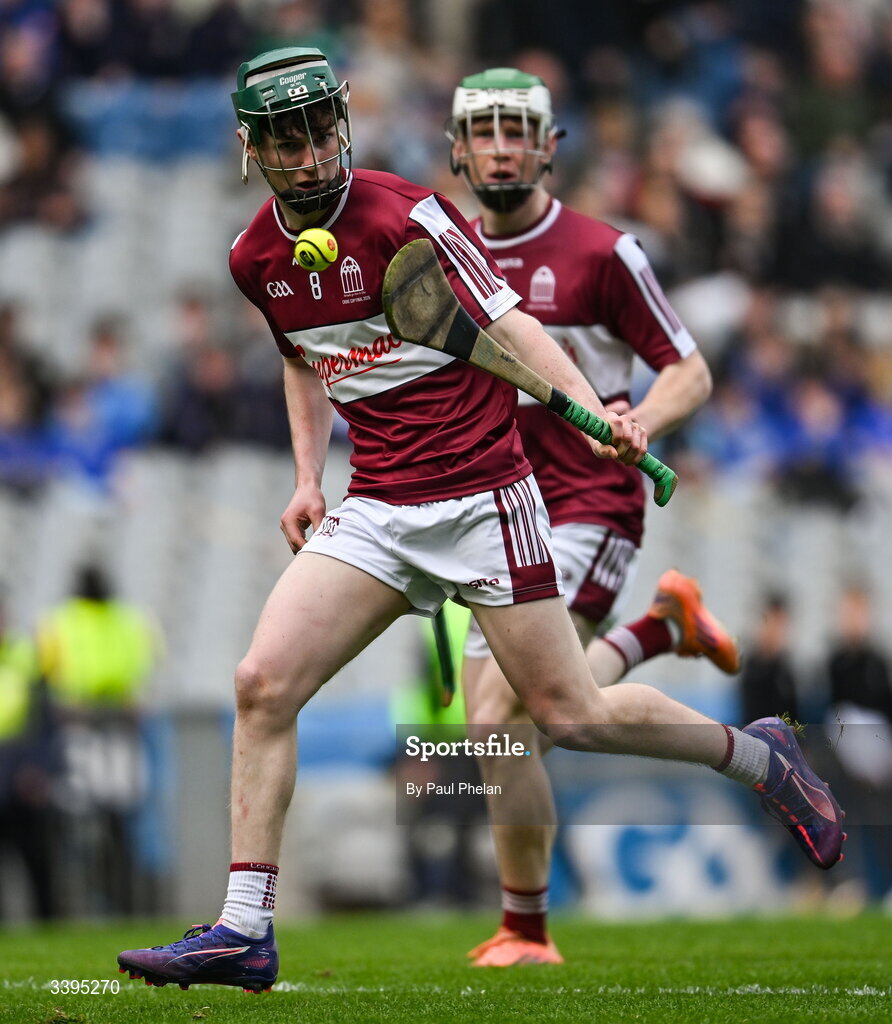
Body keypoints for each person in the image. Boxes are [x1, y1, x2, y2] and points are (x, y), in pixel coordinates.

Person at [116, 47, 844, 994]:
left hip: (482, 501)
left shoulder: (408, 214)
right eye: (287, 136)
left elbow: (512, 330)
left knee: (563, 714)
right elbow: (302, 358)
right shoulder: (255, 258)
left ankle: (760, 755)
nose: (310, 149)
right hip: (377, 508)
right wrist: (306, 478)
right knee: (261, 684)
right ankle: (245, 930)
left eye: (320, 125)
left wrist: (594, 412)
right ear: (253, 147)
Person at [445, 67, 740, 966]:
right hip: (498, 513)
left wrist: (642, 420)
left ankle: (527, 930)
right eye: (482, 130)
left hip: (588, 500)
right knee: (507, 721)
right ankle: (657, 628)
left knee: (502, 706)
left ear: (549, 147)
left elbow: (690, 368)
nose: (499, 145)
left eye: (516, 129)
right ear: (457, 149)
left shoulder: (603, 254)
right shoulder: (437, 250)